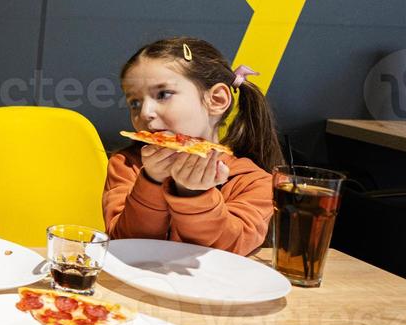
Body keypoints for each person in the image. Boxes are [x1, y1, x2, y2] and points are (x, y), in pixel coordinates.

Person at [103, 36, 282, 255]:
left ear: (216, 100)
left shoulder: (254, 182)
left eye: (163, 94)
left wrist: (194, 194)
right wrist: (151, 181)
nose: (145, 113)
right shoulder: (126, 166)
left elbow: (230, 252)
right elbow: (123, 245)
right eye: (135, 103)